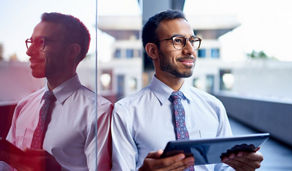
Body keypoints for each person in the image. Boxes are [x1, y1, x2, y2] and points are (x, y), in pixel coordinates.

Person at [111, 10, 263, 171]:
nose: (190, 50)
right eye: (178, 41)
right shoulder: (125, 112)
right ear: (152, 51)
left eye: (192, 41)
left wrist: (241, 167)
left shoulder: (214, 107)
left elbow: (223, 167)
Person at [0, 12, 112, 171]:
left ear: (72, 51)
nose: (29, 51)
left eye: (41, 42)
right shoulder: (23, 107)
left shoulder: (100, 112)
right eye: (31, 42)